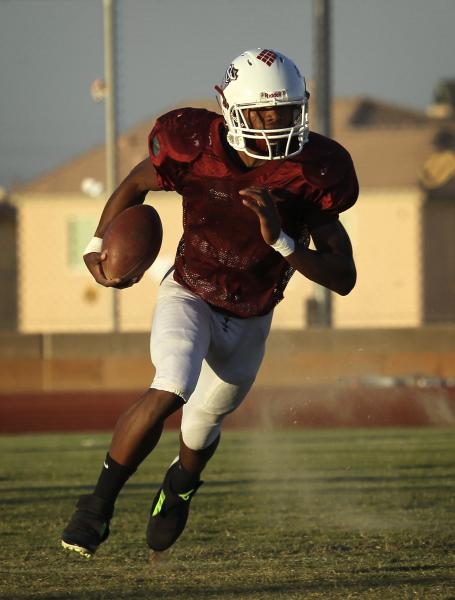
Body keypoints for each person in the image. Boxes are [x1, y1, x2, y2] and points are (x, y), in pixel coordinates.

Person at [61, 48, 358, 558]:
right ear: (233, 110)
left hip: (251, 315)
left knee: (200, 427)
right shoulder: (194, 145)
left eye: (287, 112)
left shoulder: (313, 171)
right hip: (190, 290)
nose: (277, 124)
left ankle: (179, 486)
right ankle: (97, 505)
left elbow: (344, 277)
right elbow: (136, 182)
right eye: (265, 113)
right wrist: (96, 243)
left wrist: (283, 242)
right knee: (172, 383)